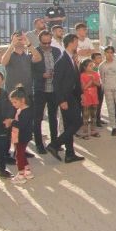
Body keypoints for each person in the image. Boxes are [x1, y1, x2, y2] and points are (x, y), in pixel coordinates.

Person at [46, 34, 84, 164]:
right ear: (71, 43)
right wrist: (61, 100)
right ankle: (55, 144)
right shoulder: (62, 60)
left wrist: (81, 94)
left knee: (69, 125)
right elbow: (56, 83)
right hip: (66, 97)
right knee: (78, 122)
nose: (77, 44)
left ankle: (69, 154)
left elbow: (75, 78)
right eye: (76, 42)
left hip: (73, 95)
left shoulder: (71, 58)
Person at [31, 30, 61, 154]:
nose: (47, 45)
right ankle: (39, 144)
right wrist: (41, 75)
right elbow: (30, 72)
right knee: (38, 118)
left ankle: (54, 143)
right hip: (40, 90)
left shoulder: (56, 51)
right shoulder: (35, 52)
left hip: (53, 89)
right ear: (40, 41)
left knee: (53, 117)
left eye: (49, 42)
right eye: (45, 43)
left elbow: (61, 67)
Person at [9, 86, 35, 184]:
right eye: (12, 102)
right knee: (21, 153)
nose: (13, 104)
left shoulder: (25, 111)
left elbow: (21, 125)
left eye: (15, 102)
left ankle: (20, 175)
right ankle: (27, 171)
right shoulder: (21, 109)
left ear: (22, 100)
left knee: (18, 155)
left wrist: (11, 122)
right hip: (20, 136)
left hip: (22, 136)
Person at [78, 59, 100, 139]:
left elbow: (98, 84)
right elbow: (83, 87)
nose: (92, 67)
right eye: (90, 66)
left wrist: (93, 80)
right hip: (86, 97)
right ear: (84, 67)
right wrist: (91, 81)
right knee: (86, 116)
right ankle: (85, 132)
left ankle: (93, 131)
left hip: (94, 97)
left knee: (94, 115)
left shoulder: (95, 74)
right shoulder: (82, 75)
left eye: (92, 65)